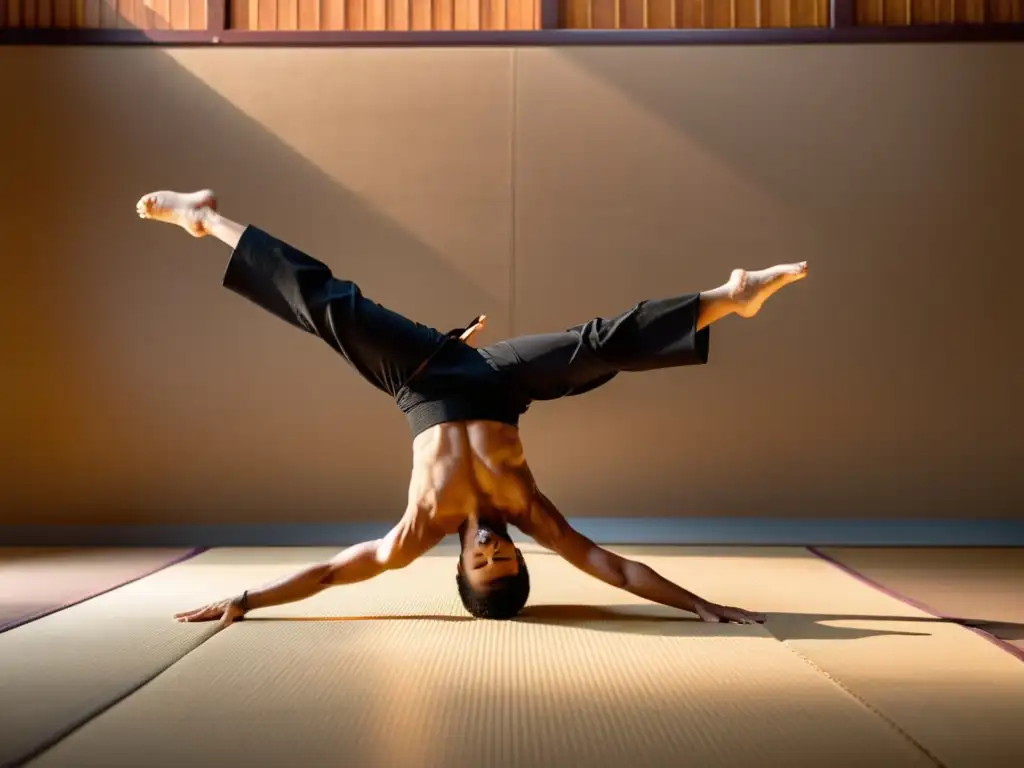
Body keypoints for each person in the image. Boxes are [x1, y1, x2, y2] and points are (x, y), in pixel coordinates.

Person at [136, 190, 807, 628]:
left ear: (459, 570)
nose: (492, 550)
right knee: (598, 345)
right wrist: (698, 605)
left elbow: (333, 572)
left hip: (421, 377)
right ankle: (730, 296)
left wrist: (249, 600)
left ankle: (206, 219)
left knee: (329, 308)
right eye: (507, 561)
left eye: (482, 564)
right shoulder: (529, 514)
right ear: (519, 556)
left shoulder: (415, 534)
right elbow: (613, 567)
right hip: (496, 382)